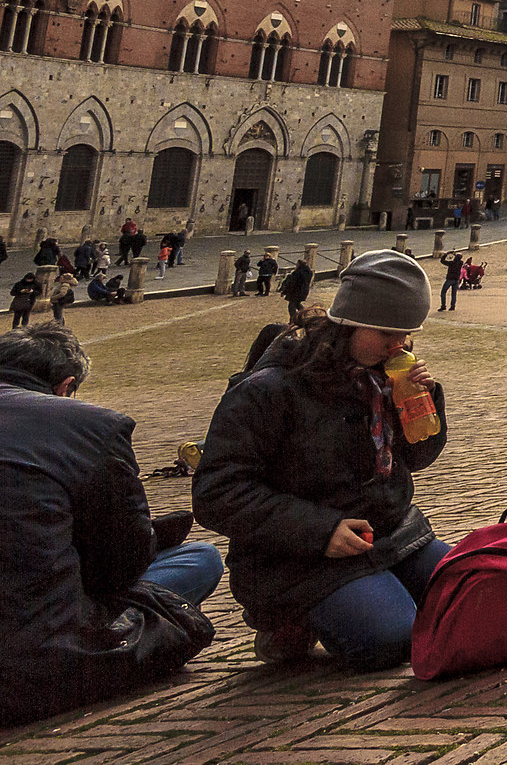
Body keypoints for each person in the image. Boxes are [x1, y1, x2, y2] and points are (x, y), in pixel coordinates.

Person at [194, 251, 450, 670]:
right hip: (297, 556)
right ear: (349, 320)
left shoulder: (385, 375)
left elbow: (417, 459)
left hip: (391, 534)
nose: (398, 345)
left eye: (406, 333)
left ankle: (379, 591)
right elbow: (216, 493)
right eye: (387, 331)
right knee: (392, 641)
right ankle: (287, 619)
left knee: (468, 592)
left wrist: (424, 405)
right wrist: (320, 531)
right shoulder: (271, 390)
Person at [0, 326, 222, 725]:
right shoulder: (90, 425)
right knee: (200, 559)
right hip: (31, 659)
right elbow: (121, 565)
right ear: (66, 385)